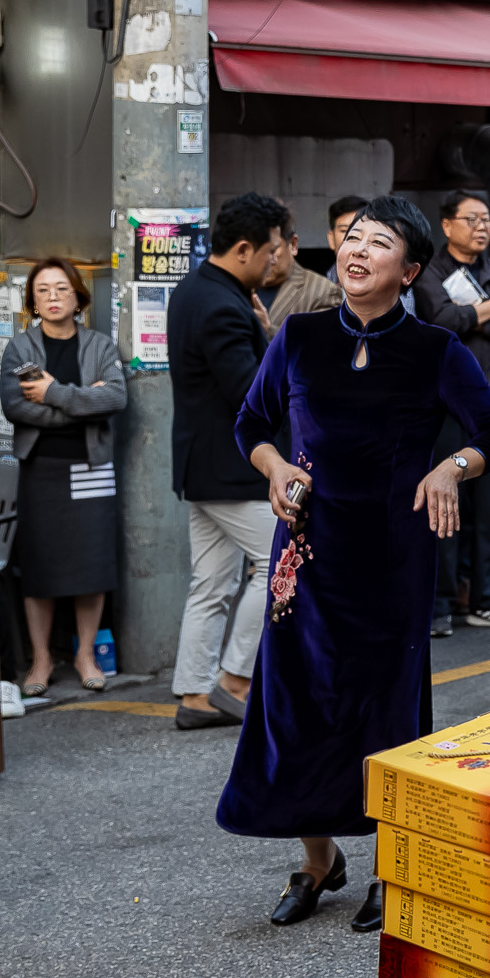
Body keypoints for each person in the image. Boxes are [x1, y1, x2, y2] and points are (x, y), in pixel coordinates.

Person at [220, 197, 490, 930]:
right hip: (307, 550)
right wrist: (276, 466)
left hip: (393, 557)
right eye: (352, 237)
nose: (358, 250)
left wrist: (451, 466)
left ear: (408, 270)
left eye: (379, 243)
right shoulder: (299, 335)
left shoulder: (436, 350)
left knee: (387, 712)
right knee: (292, 704)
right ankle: (319, 858)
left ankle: (393, 861)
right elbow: (251, 424)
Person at [169, 192, 290, 730]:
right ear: (243, 249)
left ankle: (195, 695)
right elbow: (251, 392)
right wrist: (271, 341)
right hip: (232, 469)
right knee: (281, 562)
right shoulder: (223, 304)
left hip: (204, 465)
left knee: (212, 582)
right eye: (270, 252)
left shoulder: (195, 290)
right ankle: (235, 681)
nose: (275, 262)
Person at [0, 258, 127, 696]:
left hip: (92, 467)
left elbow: (114, 397)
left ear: (78, 297)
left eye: (61, 289)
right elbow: (16, 408)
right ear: (32, 300)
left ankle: (85, 654)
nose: (52, 298)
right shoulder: (20, 349)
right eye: (43, 291)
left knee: (92, 564)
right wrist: (79, 405)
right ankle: (40, 660)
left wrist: (54, 393)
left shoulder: (100, 346)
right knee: (39, 566)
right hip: (43, 470)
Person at [414, 190, 490, 635]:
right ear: (447, 225)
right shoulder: (430, 271)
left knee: (488, 512)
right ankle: (441, 603)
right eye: (472, 219)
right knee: (444, 505)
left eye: (486, 219)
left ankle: (486, 600)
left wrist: (481, 315)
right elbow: (442, 322)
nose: (482, 227)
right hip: (444, 411)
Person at [264, 194, 353, 328]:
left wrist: (265, 330)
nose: (265, 258)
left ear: (293, 244)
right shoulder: (241, 286)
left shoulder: (322, 291)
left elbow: (321, 345)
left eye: (272, 250)